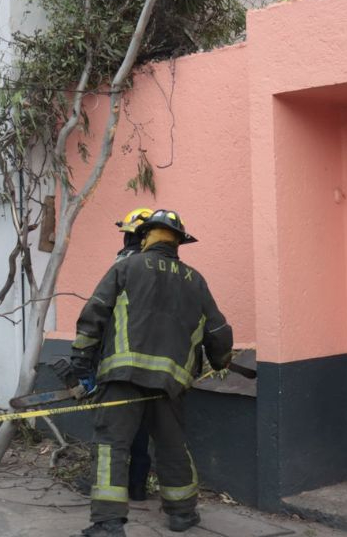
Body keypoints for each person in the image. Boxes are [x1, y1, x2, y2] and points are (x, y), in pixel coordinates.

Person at [70, 210, 232, 536]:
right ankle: (183, 515)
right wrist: (221, 361)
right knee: (171, 444)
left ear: (146, 236)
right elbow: (218, 331)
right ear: (178, 242)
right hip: (170, 383)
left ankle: (108, 524)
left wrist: (81, 362)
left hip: (122, 376)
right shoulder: (195, 280)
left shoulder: (126, 268)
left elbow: (94, 315)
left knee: (111, 445)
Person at [112, 208, 154, 501]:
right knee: (148, 431)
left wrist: (85, 362)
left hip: (123, 364)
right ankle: (138, 486)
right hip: (161, 368)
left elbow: (101, 316)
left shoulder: (124, 268)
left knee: (115, 433)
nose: (125, 240)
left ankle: (114, 491)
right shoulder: (171, 270)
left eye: (129, 234)